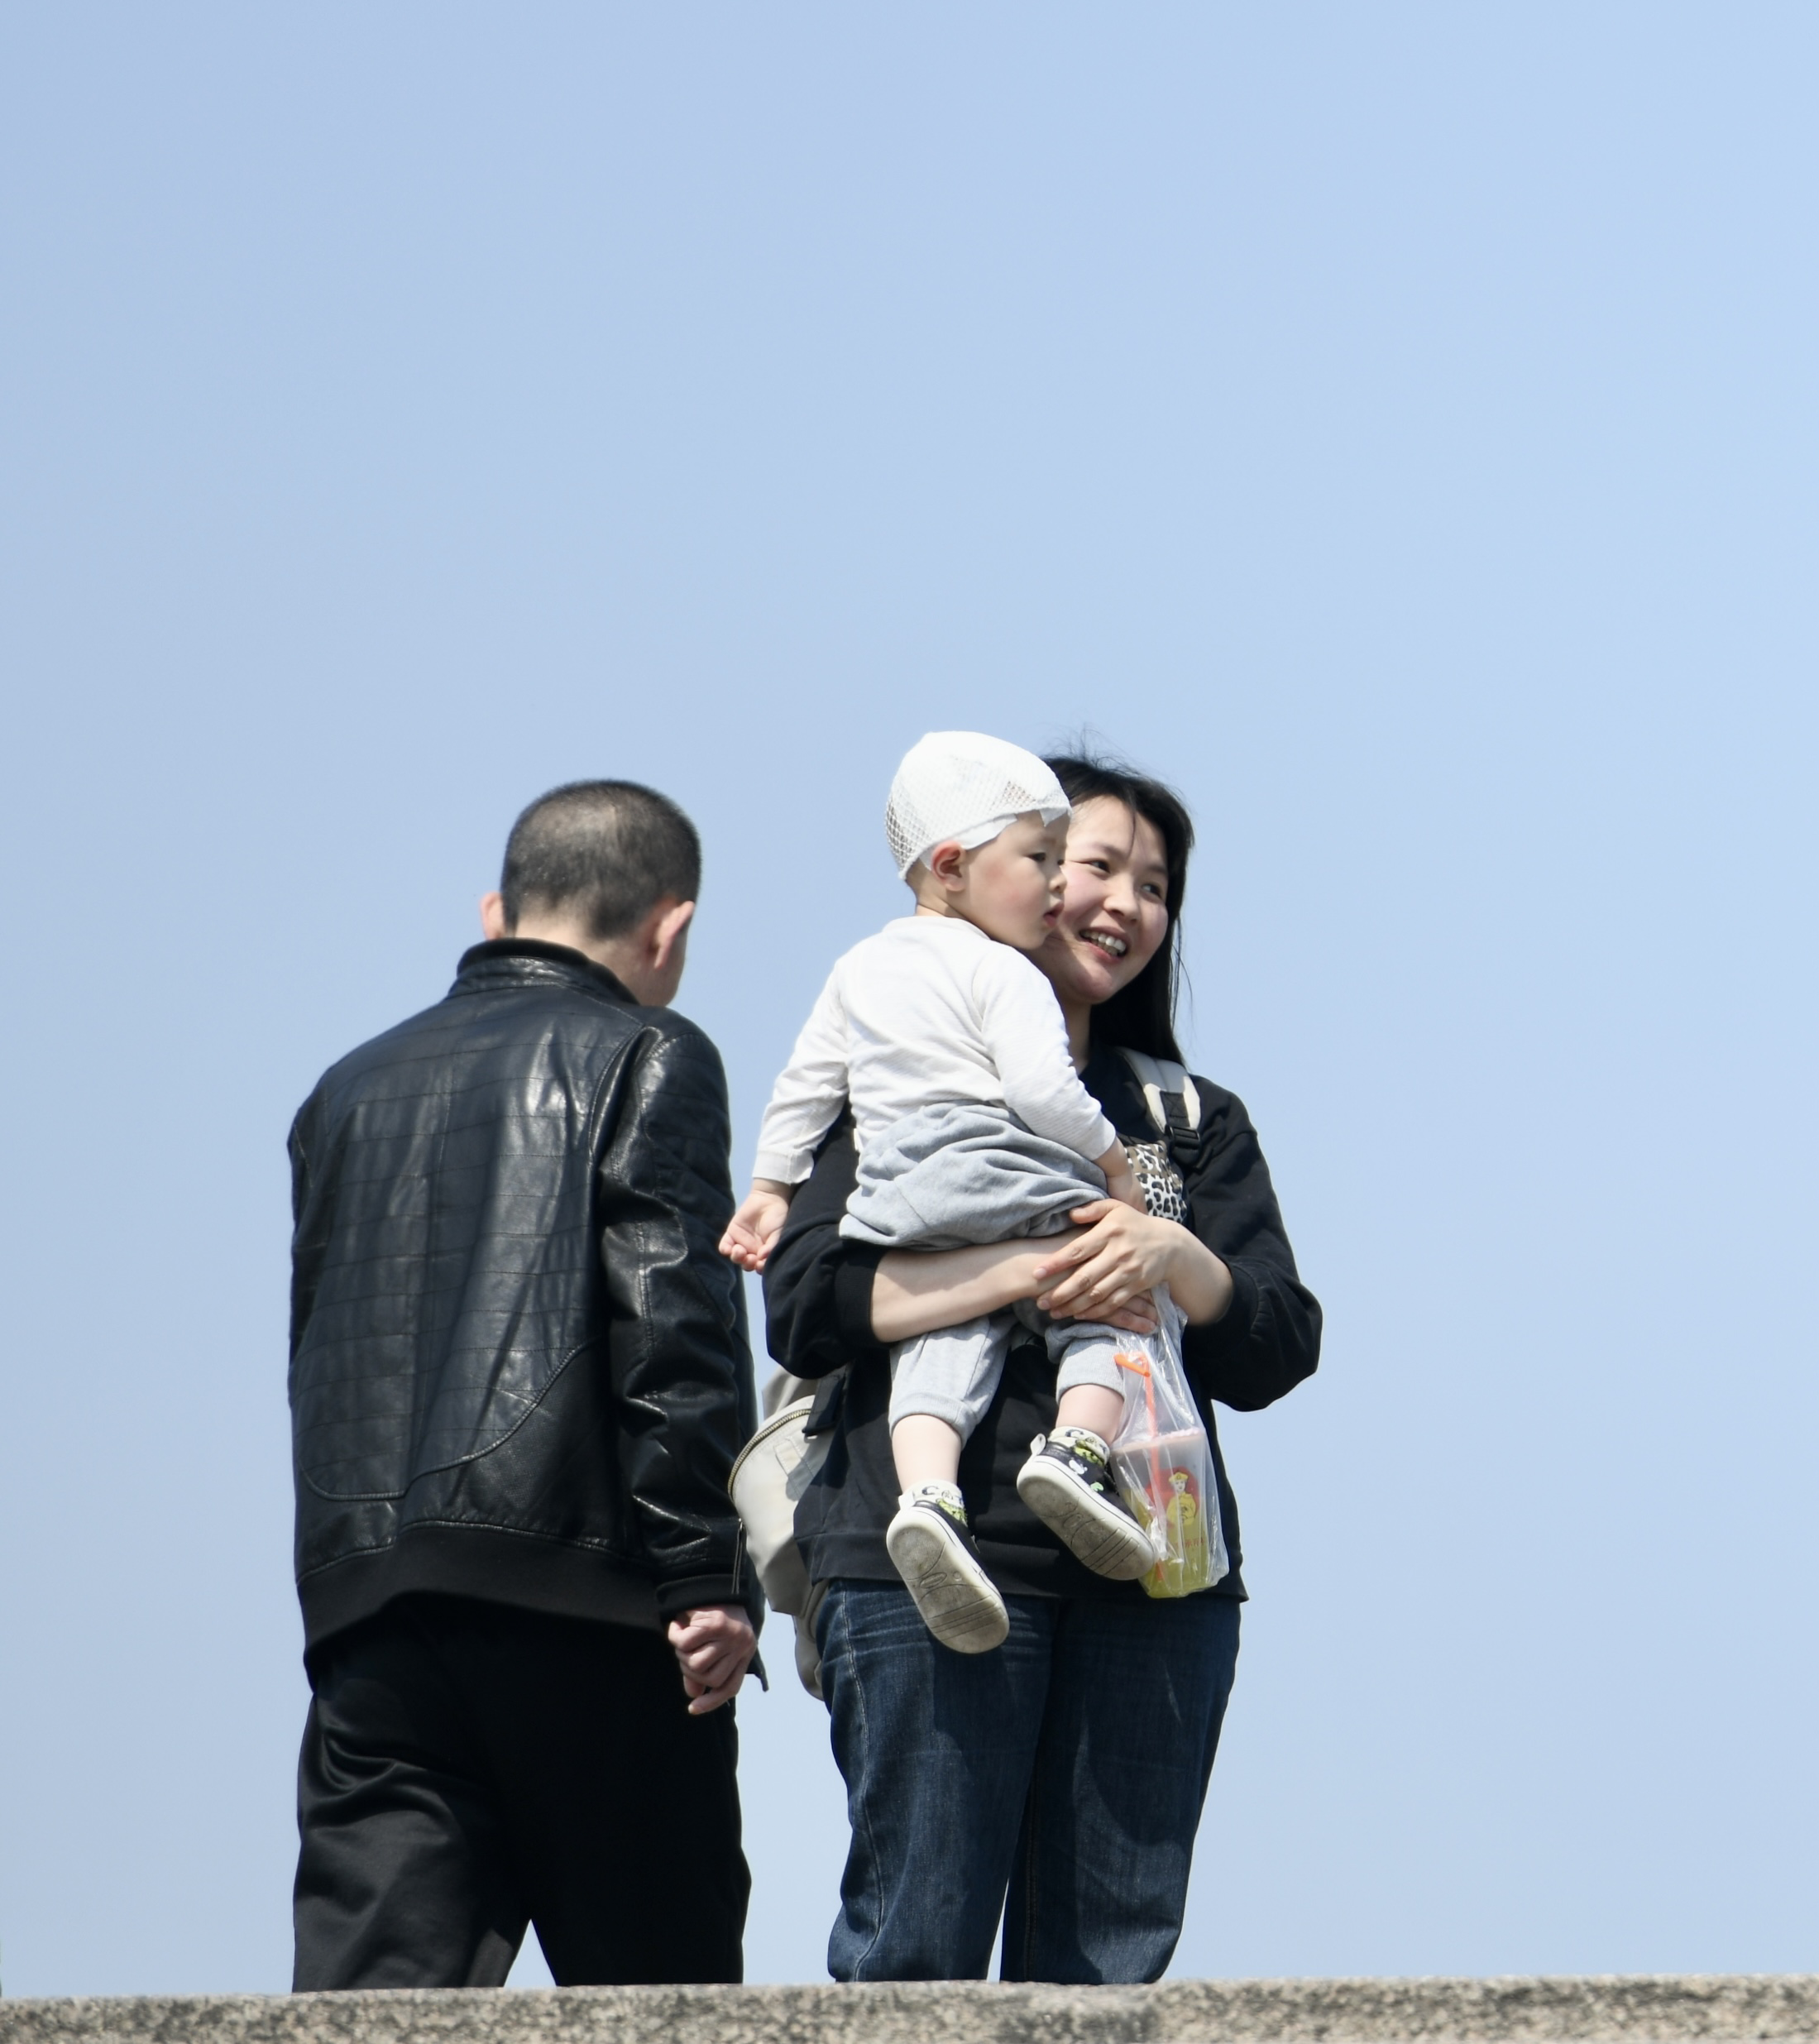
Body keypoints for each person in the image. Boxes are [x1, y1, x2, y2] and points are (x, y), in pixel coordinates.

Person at [763, 754, 1322, 1984]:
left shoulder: (1185, 1116)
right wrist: (1026, 1266)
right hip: (933, 1571)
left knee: (1107, 1978)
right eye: (1095, 864)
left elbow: (1279, 1337)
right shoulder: (900, 1074)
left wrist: (1173, 1251)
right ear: (998, 870)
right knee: (914, 1957)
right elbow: (806, 1304)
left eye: (1157, 884)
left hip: (1157, 1576)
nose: (1126, 903)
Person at [287, 781, 759, 1989]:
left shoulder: (342, 1091)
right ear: (672, 928)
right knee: (658, 1992)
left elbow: (318, 1352)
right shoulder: (652, 1050)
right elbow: (673, 1322)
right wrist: (706, 1572)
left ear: (496, 910)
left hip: (373, 1616)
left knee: (372, 1998)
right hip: (587, 1601)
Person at [727, 733, 1159, 1654]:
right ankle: (1076, 1453)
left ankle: (928, 1497)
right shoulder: (1005, 969)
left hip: (896, 1188)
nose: (1052, 886)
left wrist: (767, 1187)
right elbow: (1045, 1095)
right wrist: (1115, 1165)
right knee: (1105, 1306)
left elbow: (804, 1087)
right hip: (993, 1158)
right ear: (956, 866)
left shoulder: (860, 965)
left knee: (942, 1332)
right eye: (1042, 859)